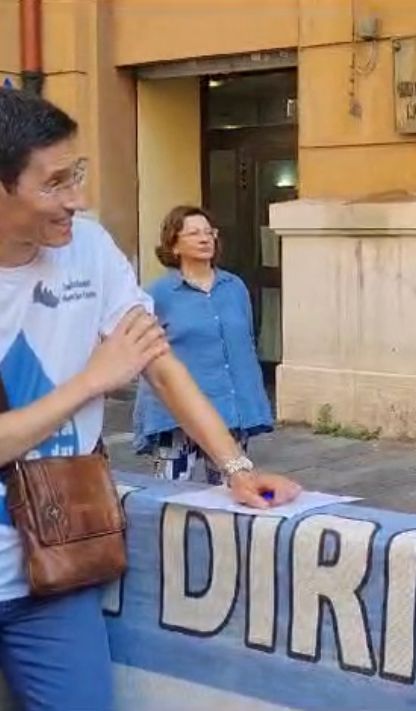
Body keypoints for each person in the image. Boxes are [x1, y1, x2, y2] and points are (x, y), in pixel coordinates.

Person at [0, 89, 299, 710]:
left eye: (76, 175)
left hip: (54, 570)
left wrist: (235, 467)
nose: (76, 200)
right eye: (54, 183)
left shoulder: (89, 249)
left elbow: (158, 363)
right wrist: (91, 381)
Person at [132, 206, 274, 484]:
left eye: (209, 232)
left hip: (229, 410)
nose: (204, 239)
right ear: (174, 244)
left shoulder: (234, 287)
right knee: (171, 494)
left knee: (231, 492)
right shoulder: (156, 295)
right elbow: (146, 356)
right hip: (175, 415)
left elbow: (246, 343)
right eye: (194, 233)